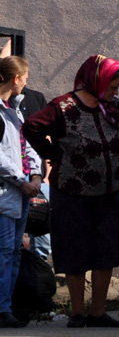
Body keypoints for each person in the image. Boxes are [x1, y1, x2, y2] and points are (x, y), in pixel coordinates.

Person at [24, 54, 119, 329]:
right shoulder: (63, 107)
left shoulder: (114, 106)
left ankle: (97, 313)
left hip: (110, 191)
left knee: (106, 252)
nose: (116, 92)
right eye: (112, 86)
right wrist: (54, 155)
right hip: (73, 192)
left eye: (118, 87)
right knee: (75, 252)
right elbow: (32, 126)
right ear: (95, 81)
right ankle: (77, 313)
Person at [0, 56, 44, 328]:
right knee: (4, 251)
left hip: (21, 193)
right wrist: (21, 180)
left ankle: (7, 305)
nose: (27, 83)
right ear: (16, 79)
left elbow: (26, 144)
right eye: (25, 78)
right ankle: (2, 307)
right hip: (6, 194)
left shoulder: (13, 110)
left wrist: (37, 173)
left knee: (13, 252)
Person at [17, 85, 50, 260]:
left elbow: (46, 137)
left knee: (42, 238)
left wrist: (46, 174)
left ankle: (38, 276)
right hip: (13, 183)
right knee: (11, 244)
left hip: (39, 181)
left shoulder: (36, 98)